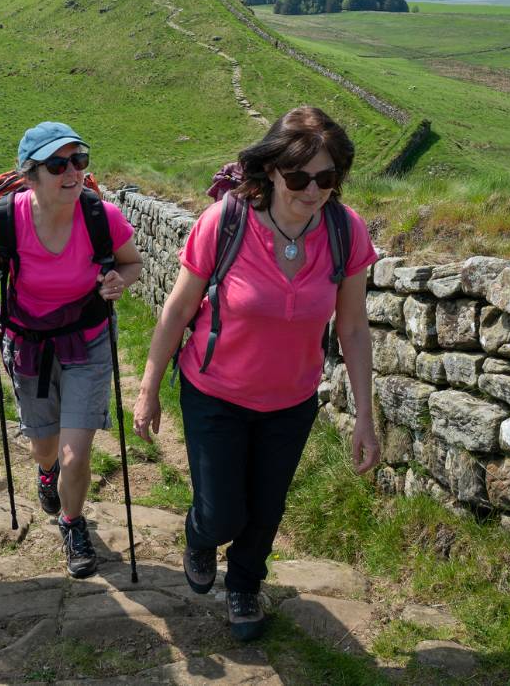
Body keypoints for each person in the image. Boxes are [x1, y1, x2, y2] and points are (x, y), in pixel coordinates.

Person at [132, 106, 381, 641]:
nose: (313, 191)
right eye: (299, 177)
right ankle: (201, 535)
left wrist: (366, 417)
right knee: (223, 513)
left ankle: (245, 584)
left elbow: (354, 329)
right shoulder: (225, 223)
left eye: (327, 178)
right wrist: (149, 389)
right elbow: (177, 311)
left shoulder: (344, 231)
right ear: (270, 170)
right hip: (214, 391)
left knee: (266, 509)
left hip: (291, 400)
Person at [0, 121, 142, 579]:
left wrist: (119, 281)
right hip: (29, 344)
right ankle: (46, 475)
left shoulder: (102, 217)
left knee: (75, 454)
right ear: (30, 175)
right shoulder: (5, 217)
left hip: (88, 339)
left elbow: (132, 262)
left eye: (79, 161)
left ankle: (72, 521)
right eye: (57, 164)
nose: (72, 172)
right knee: (45, 447)